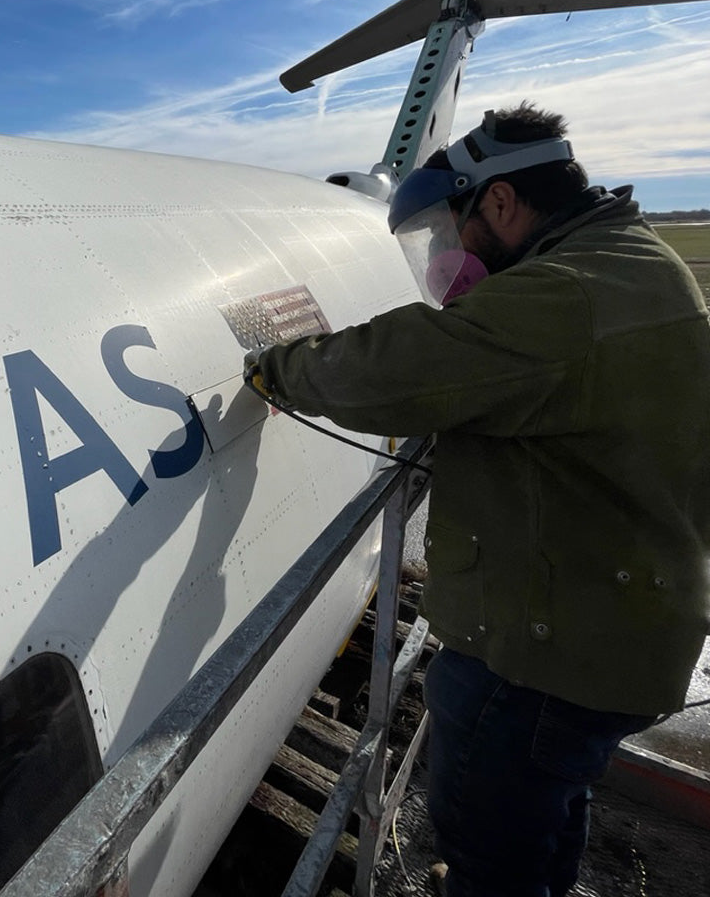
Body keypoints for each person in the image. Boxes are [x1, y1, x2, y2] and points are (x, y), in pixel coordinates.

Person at [243, 102, 710, 896]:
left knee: (490, 850)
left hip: (540, 659)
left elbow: (398, 366)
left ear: (498, 201)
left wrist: (277, 367)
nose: (449, 252)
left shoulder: (564, 294)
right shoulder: (632, 260)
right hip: (614, 630)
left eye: (450, 228)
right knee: (549, 810)